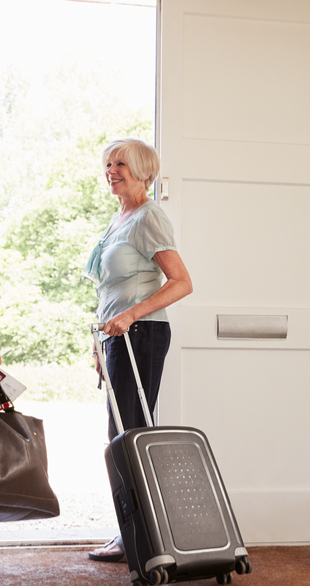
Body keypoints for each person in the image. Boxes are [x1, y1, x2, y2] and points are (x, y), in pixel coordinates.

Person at [82, 138, 193, 562]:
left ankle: (140, 538)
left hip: (142, 334)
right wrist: (103, 342)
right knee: (121, 436)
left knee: (130, 436)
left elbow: (181, 282)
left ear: (144, 171)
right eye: (108, 163)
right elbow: (112, 289)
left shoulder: (148, 216)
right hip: (119, 338)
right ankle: (133, 533)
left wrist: (130, 317)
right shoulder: (119, 218)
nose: (111, 170)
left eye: (121, 163)